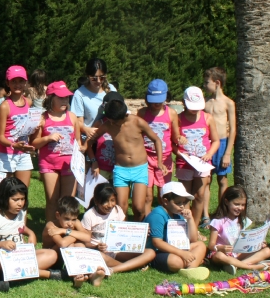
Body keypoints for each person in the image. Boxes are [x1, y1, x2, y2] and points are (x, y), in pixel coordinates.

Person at [89, 92, 165, 221]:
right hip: (121, 170)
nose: (111, 123)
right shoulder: (108, 125)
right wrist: (93, 160)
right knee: (120, 208)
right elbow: (89, 142)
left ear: (124, 116)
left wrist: (160, 161)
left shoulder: (138, 122)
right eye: (110, 120)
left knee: (139, 207)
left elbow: (156, 140)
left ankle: (138, 233)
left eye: (114, 121)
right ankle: (122, 234)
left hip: (140, 169)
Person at [0, 177, 61, 282]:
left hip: (20, 255)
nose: (20, 204)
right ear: (4, 198)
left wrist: (31, 234)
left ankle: (12, 274)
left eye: (22, 199)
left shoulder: (20, 211)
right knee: (4, 261)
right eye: (15, 200)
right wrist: (1, 244)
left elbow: (20, 228)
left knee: (52, 255)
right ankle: (46, 274)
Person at [31, 81, 80, 222]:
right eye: (61, 97)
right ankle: (50, 234)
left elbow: (78, 143)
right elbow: (34, 143)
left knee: (67, 203)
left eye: (66, 97)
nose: (65, 100)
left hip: (69, 165)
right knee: (52, 201)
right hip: (49, 165)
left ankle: (66, 235)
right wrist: (48, 138)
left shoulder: (72, 117)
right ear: (51, 98)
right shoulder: (42, 118)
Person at [82, 183, 156, 273]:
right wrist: (97, 247)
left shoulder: (117, 210)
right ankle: (129, 266)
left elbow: (125, 231)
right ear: (97, 201)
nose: (110, 205)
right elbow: (86, 242)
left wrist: (141, 233)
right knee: (100, 257)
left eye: (113, 200)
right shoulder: (89, 215)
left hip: (118, 251)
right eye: (105, 201)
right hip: (102, 253)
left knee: (150, 252)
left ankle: (114, 269)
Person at [144, 181, 209, 280]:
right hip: (156, 252)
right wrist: (182, 253)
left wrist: (190, 219)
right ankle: (193, 262)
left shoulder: (178, 214)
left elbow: (193, 239)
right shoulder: (158, 215)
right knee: (176, 262)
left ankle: (189, 269)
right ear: (165, 201)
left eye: (184, 202)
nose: (182, 206)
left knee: (201, 245)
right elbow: (157, 242)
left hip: (176, 248)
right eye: (178, 202)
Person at [176, 86, 220, 228]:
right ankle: (184, 226)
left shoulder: (207, 118)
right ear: (183, 102)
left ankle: (194, 226)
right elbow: (172, 142)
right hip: (184, 163)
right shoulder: (178, 119)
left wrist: (209, 154)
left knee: (200, 195)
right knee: (185, 196)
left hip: (202, 163)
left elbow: (216, 140)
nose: (195, 110)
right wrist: (180, 150)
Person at [137, 79, 181, 213]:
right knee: (147, 195)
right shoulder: (143, 113)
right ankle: (147, 222)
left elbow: (175, 136)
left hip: (165, 159)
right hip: (146, 158)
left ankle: (163, 220)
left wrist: (180, 139)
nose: (156, 103)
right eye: (153, 99)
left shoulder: (171, 113)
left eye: (159, 100)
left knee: (163, 194)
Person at [208, 185, 270, 274]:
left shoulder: (244, 220)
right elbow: (211, 245)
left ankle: (236, 265)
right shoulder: (218, 221)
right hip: (223, 254)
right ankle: (253, 266)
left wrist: (258, 243)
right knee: (219, 256)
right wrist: (221, 248)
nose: (240, 208)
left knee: (267, 250)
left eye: (243, 205)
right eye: (236, 204)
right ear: (226, 202)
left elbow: (248, 239)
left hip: (238, 253)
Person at [42, 196, 106, 287]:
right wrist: (78, 235)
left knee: (80, 244)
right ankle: (76, 277)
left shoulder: (74, 223)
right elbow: (62, 243)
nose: (70, 223)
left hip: (66, 259)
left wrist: (65, 231)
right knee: (71, 243)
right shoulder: (51, 226)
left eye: (74, 219)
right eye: (66, 219)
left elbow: (88, 237)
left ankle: (91, 276)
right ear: (58, 215)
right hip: (52, 261)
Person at [0, 66, 36, 187]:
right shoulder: (5, 106)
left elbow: (28, 127)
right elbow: (0, 137)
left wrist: (35, 127)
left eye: (21, 81)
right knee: (4, 194)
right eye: (14, 81)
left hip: (23, 153)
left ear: (26, 82)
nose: (18, 84)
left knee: (22, 192)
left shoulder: (28, 102)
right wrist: (13, 145)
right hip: (6, 154)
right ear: (8, 83)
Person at [204, 67, 236, 206]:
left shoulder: (228, 103)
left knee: (222, 179)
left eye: (207, 83)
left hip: (222, 144)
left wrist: (227, 153)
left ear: (217, 82)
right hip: (207, 143)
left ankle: (222, 210)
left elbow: (233, 129)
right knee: (206, 179)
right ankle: (204, 214)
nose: (204, 86)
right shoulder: (205, 102)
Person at [71, 58, 117, 141]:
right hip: (90, 139)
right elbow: (77, 122)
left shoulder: (111, 89)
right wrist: (86, 129)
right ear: (88, 76)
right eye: (94, 78)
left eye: (102, 78)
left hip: (109, 138)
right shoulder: (79, 94)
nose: (98, 81)